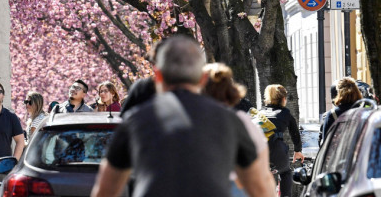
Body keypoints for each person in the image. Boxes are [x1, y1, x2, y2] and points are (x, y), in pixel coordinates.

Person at [91, 35, 270, 197]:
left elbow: (105, 189)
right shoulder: (231, 121)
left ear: (159, 76)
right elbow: (259, 187)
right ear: (202, 78)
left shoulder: (135, 120)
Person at [202, 63, 274, 197]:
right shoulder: (243, 122)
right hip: (238, 187)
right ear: (231, 89)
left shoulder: (188, 122)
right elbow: (263, 173)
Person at [261, 84, 304, 197]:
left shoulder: (260, 113)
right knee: (285, 173)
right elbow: (295, 133)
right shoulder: (285, 113)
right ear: (283, 99)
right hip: (277, 150)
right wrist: (297, 151)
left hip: (259, 150)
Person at [321, 77, 362, 143]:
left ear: (339, 93)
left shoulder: (332, 114)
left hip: (340, 152)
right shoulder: (364, 112)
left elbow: (325, 142)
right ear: (357, 91)